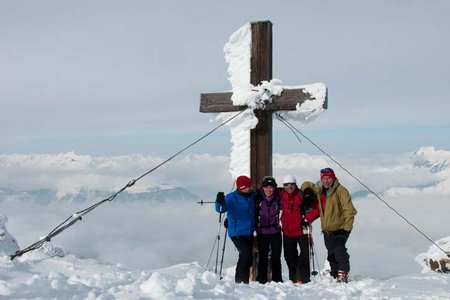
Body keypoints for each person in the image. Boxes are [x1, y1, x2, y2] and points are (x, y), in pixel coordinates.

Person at [317, 167, 357, 283]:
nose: (326, 181)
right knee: (331, 254)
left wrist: (346, 229)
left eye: (328, 178)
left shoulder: (341, 191)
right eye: (324, 178)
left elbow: (349, 211)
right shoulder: (320, 190)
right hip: (327, 229)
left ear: (333, 178)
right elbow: (307, 185)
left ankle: (343, 273)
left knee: (339, 250)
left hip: (340, 228)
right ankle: (335, 274)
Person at [279, 174, 319, 284]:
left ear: (295, 184)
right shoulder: (281, 194)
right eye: (286, 185)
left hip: (302, 230)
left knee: (304, 255)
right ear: (283, 186)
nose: (289, 187)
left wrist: (307, 218)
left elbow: (317, 209)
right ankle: (294, 278)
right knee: (289, 256)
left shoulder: (302, 195)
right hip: (287, 231)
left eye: (291, 184)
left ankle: (305, 279)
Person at [215, 175, 255, 284]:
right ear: (242, 187)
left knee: (245, 257)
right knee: (247, 257)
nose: (250, 188)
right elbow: (221, 209)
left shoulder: (251, 196)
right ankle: (241, 281)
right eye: (248, 186)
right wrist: (219, 201)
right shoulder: (232, 197)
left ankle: (242, 282)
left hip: (249, 232)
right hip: (237, 233)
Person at [253, 176, 283, 284]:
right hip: (262, 232)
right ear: (263, 188)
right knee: (263, 257)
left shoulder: (278, 198)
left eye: (271, 187)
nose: (268, 190)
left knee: (276, 257)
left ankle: (277, 280)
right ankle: (261, 280)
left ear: (274, 188)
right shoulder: (258, 198)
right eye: (266, 187)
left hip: (276, 231)